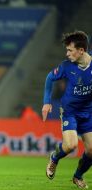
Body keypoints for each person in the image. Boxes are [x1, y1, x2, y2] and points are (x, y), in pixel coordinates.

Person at [42, 31, 92, 189]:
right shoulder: (66, 66)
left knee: (91, 150)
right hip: (70, 111)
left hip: (89, 113)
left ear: (81, 50)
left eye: (70, 50)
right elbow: (50, 78)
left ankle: (77, 176)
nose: (67, 53)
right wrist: (46, 102)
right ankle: (54, 158)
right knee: (71, 146)